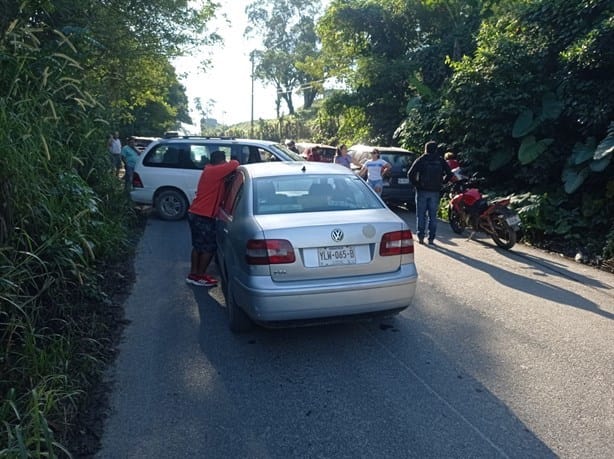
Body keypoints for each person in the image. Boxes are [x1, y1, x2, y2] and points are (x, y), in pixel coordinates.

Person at [186, 150, 239, 287]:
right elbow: (235, 164)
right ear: (221, 162)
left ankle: (193, 274)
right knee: (209, 247)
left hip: (195, 212)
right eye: (224, 161)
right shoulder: (214, 171)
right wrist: (231, 161)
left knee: (198, 246)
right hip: (203, 215)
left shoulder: (209, 170)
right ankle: (200, 276)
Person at [407, 140, 453, 245]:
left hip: (422, 190)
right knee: (433, 216)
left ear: (426, 149)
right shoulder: (440, 160)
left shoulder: (421, 159)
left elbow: (410, 173)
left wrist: (416, 184)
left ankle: (421, 237)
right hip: (435, 191)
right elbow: (449, 174)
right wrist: (442, 183)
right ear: (436, 149)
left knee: (421, 215)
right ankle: (431, 238)